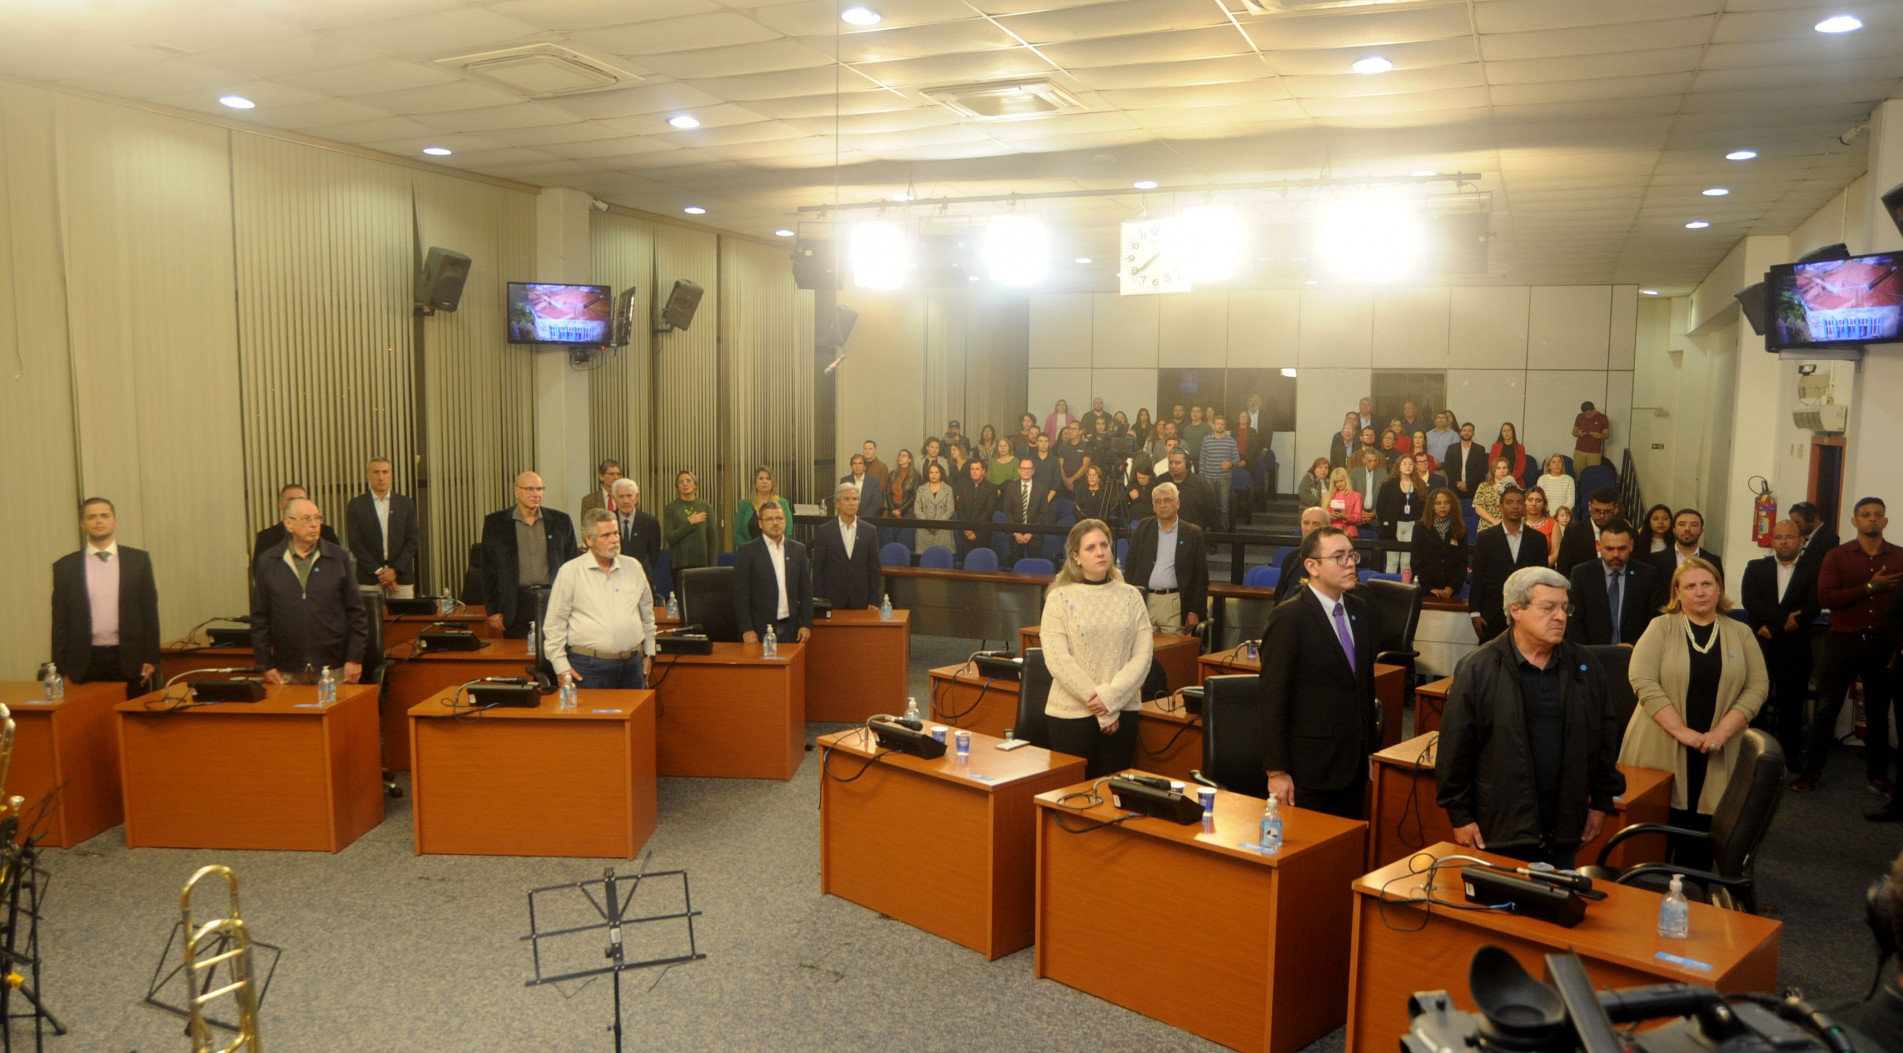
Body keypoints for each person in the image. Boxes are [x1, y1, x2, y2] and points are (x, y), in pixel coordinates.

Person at [1436, 567, 1625, 868]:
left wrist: (1601, 803)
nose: (1561, 616)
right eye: (1548, 608)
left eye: (1565, 607)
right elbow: (1454, 750)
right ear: (1516, 610)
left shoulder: (1586, 666)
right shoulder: (1478, 668)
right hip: (1499, 828)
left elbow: (1605, 740)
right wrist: (1459, 817)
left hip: (1564, 825)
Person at [1622, 559, 1767, 869]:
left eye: (1707, 584)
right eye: (1690, 586)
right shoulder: (1660, 627)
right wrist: (1682, 732)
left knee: (1701, 848)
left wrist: (1720, 734)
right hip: (1659, 744)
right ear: (1678, 592)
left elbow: (1757, 688)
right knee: (1648, 850)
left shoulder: (1740, 633)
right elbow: (1642, 680)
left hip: (1717, 748)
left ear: (1719, 590)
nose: (1699, 592)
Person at [1259, 526, 1381, 820]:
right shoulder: (1290, 617)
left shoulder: (1360, 609)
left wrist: (1371, 752)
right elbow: (1272, 698)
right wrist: (1276, 771)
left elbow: (1363, 685)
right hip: (1309, 768)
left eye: (1352, 554)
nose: (1350, 563)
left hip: (1353, 763)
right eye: (1339, 557)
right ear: (1312, 566)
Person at [1794, 497, 1902, 800]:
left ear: (1886, 521)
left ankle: (1877, 776)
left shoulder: (1900, 557)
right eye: (1865, 515)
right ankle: (1812, 770)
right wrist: (1871, 587)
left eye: (1878, 515)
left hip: (1883, 645)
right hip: (1843, 642)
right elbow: (1826, 598)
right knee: (1827, 708)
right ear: (1854, 521)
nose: (1872, 520)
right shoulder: (1836, 556)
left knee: (1879, 714)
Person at [1039, 519, 1152, 777]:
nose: (1100, 553)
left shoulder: (1131, 596)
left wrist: (1110, 701)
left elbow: (1143, 656)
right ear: (1075, 556)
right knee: (1074, 800)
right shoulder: (1059, 597)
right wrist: (1103, 709)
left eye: (1104, 545)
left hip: (1124, 712)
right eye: (1090, 548)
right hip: (1071, 717)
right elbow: (1058, 660)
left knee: (1114, 800)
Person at [50, 497, 161, 698]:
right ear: (83, 524)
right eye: (92, 517)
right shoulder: (65, 567)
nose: (99, 521)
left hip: (130, 658)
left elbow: (149, 612)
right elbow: (60, 620)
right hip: (84, 661)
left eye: (104, 516)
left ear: (114, 521)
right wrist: (61, 667)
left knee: (132, 721)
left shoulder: (138, 561)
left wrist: (151, 658)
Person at [250, 496, 367, 685]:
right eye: (307, 519)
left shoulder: (337, 557)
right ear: (289, 524)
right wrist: (265, 663)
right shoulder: (268, 561)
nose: (314, 525)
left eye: (317, 518)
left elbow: (357, 612)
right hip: (287, 669)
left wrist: (354, 658)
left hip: (333, 667)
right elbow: (260, 618)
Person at [544, 508, 657, 690]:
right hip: (589, 668)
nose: (614, 540)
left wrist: (650, 654)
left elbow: (647, 615)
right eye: (606, 536)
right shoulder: (570, 572)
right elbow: (554, 624)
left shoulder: (634, 567)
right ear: (589, 539)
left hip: (632, 666)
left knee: (636, 718)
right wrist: (561, 667)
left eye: (616, 533)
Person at [1741, 520, 1820, 769]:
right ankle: (1754, 754)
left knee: (1791, 704)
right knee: (1757, 703)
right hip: (1762, 645)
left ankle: (1790, 754)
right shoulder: (1755, 567)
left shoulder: (1814, 569)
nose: (1783, 542)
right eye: (1778, 537)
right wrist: (1779, 624)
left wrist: (1780, 624)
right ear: (1772, 541)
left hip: (1795, 647)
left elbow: (1814, 604)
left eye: (1789, 537)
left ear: (1801, 540)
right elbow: (1750, 600)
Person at [480, 471, 577, 638]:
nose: (536, 494)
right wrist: (493, 610)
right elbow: (488, 569)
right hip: (515, 604)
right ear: (516, 491)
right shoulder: (496, 523)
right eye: (530, 489)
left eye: (540, 489)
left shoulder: (561, 521)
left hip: (552, 601)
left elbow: (573, 565)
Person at [1565, 517, 1664, 647]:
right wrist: (1587, 654)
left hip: (1636, 653)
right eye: (1609, 549)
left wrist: (1635, 646)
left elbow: (1656, 620)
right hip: (1592, 655)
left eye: (1622, 548)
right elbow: (1573, 621)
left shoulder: (1647, 575)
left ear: (1631, 545)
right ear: (1598, 546)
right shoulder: (1581, 574)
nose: (1616, 554)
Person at [1126, 482, 1208, 634]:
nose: (1162, 505)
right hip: (1145, 600)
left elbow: (1200, 576)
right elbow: (1131, 565)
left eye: (1167, 500)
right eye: (1158, 501)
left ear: (1177, 503)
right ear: (1153, 506)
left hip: (1174, 603)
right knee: (1143, 653)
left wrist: (1195, 611)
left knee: (1173, 654)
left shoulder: (1192, 533)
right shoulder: (1144, 527)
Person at [1470, 488, 1549, 642]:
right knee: (1492, 661)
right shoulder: (1485, 538)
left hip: (1527, 611)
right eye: (1509, 502)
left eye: (1519, 502)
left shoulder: (1537, 539)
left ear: (1524, 507)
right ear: (1500, 507)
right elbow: (1477, 577)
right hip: (1492, 613)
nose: (1515, 507)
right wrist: (1474, 612)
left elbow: (1542, 579)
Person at [732, 502, 812, 646]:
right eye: (769, 519)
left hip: (791, 628)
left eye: (779, 518)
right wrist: (746, 629)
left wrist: (806, 624)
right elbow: (740, 595)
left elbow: (805, 590)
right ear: (760, 524)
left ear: (785, 522)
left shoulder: (798, 550)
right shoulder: (748, 551)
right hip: (759, 629)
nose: (775, 523)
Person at [345, 458, 418, 599]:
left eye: (385, 472)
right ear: (368, 475)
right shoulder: (356, 505)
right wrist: (380, 572)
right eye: (376, 472)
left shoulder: (405, 504)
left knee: (403, 619)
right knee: (371, 620)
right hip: (369, 577)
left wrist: (394, 571)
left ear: (391, 475)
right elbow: (355, 543)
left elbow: (412, 541)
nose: (381, 477)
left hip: (401, 577)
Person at [813, 481, 883, 610]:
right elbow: (818, 568)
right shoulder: (824, 531)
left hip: (861, 599)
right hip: (832, 599)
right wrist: (819, 601)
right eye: (847, 499)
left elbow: (874, 568)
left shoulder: (869, 531)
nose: (852, 503)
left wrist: (874, 600)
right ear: (837, 503)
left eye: (855, 499)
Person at [252, 483, 339, 570]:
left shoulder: (325, 532)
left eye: (301, 499)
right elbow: (260, 571)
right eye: (290, 500)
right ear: (280, 505)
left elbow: (339, 566)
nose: (296, 503)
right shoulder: (266, 537)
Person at [1412, 488, 1468, 599]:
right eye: (1438, 503)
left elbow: (1462, 563)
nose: (1442, 506)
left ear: (1452, 505)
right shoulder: (1420, 527)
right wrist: (1429, 588)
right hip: (1426, 590)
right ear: (1431, 506)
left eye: (1446, 502)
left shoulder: (1460, 529)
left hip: (1451, 592)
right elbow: (1416, 561)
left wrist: (1451, 587)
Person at [1376, 455, 1427, 575]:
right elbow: (1380, 507)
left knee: (1406, 562)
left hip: (1412, 526)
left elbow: (1424, 507)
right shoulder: (1388, 485)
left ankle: (1405, 589)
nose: (1408, 466)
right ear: (1398, 467)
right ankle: (1389, 589)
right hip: (1393, 526)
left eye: (1410, 463)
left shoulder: (1420, 484)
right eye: (1404, 463)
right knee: (1392, 561)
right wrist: (1385, 523)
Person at [1557, 487, 1622, 578]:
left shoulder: (1626, 533)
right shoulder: (1574, 532)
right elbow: (1563, 568)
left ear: (1616, 509)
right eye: (1597, 511)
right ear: (1589, 506)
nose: (1601, 516)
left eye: (1607, 512)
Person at [1649, 508, 1725, 585]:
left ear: (1701, 531)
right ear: (1674, 530)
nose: (1687, 529)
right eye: (1682, 524)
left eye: (1694, 525)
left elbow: (1719, 592)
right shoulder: (1656, 560)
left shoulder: (1713, 561)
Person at [663, 470, 717, 573]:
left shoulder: (705, 506)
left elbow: (712, 538)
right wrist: (690, 523)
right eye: (681, 482)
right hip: (679, 564)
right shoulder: (671, 508)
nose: (685, 484)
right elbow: (669, 538)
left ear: (695, 485)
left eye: (688, 481)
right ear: (677, 487)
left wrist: (713, 565)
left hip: (702, 563)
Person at [1004, 458, 1054, 564]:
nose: (1026, 471)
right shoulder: (1011, 487)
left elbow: (1043, 513)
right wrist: (1016, 532)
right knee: (1016, 569)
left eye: (1029, 468)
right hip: (1016, 535)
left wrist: (1030, 532)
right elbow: (1007, 511)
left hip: (1034, 535)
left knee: (1035, 569)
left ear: (1033, 471)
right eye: (1023, 468)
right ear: (1019, 470)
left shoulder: (1042, 488)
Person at [608, 478, 660, 579]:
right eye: (621, 496)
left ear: (636, 497)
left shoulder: (650, 522)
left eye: (629, 496)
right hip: (613, 576)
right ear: (614, 499)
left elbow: (653, 555)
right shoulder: (607, 521)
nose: (625, 501)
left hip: (641, 576)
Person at [734, 465, 795, 548]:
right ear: (755, 482)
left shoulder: (782, 503)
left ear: (772, 483)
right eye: (761, 478)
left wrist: (776, 548)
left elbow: (788, 531)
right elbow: (737, 533)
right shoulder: (744, 505)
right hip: (750, 553)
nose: (764, 481)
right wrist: (748, 550)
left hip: (776, 550)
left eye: (768, 478)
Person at [1198, 414, 1240, 528]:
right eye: (1218, 424)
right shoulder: (1206, 440)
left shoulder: (1231, 440)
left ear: (1225, 426)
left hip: (1224, 479)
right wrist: (1201, 478)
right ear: (1213, 425)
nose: (1220, 426)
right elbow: (1202, 459)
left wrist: (1231, 463)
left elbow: (1237, 458)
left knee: (1224, 508)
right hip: (1208, 478)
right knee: (1209, 506)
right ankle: (1210, 532)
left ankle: (1223, 534)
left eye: (1222, 424)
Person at [1163, 450, 1217, 530]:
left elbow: (1210, 512)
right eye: (1170, 462)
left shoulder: (1201, 485)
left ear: (1187, 464)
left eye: (1177, 463)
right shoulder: (1161, 481)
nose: (1173, 466)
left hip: (1192, 534)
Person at [955, 459, 998, 557]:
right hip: (965, 533)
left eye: (977, 469)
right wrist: (967, 530)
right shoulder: (963, 487)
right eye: (972, 469)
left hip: (982, 533)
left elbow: (988, 512)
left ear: (984, 471)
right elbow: (960, 510)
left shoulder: (991, 488)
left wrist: (973, 530)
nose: (974, 472)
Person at [913, 461, 956, 555]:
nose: (934, 475)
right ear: (928, 474)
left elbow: (950, 509)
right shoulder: (921, 489)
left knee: (942, 558)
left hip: (942, 530)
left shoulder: (948, 489)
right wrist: (928, 524)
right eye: (931, 472)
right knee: (925, 559)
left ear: (941, 474)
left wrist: (937, 524)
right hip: (924, 530)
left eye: (936, 472)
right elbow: (917, 510)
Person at [1789, 501, 1839, 570]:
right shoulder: (1804, 538)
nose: (1795, 526)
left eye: (1797, 522)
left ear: (1810, 519)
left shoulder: (1829, 539)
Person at [1445, 422, 1489, 500]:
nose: (1466, 433)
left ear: (1473, 433)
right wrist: (1458, 484)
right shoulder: (1451, 448)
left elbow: (1480, 469)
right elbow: (1448, 467)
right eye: (1464, 430)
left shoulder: (1480, 449)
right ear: (1460, 432)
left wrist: (1467, 484)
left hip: (1472, 488)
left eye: (1469, 431)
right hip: (1455, 488)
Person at [1349, 450, 1387, 534]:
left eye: (1375, 460)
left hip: (1375, 519)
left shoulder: (1383, 474)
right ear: (1364, 460)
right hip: (1358, 517)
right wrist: (1359, 512)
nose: (1373, 463)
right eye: (1370, 461)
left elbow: (1385, 497)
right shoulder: (1355, 473)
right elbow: (1351, 495)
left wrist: (1375, 513)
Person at [1473, 458, 1518, 528]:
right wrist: (1494, 521)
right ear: (1493, 470)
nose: (1502, 471)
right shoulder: (1484, 486)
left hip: (1508, 525)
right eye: (1498, 468)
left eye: (1504, 468)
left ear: (1508, 470)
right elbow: (1478, 508)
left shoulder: (1514, 487)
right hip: (1487, 525)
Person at [840, 453, 885, 519]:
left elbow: (876, 502)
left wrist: (863, 517)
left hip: (869, 519)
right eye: (854, 463)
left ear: (865, 467)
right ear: (851, 466)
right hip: (849, 518)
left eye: (860, 463)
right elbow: (842, 500)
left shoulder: (874, 481)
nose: (857, 466)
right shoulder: (845, 480)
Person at [1324, 466, 1363, 537]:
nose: (1339, 484)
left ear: (1346, 479)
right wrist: (1330, 516)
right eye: (1336, 482)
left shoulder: (1356, 496)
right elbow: (1323, 515)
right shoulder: (1328, 496)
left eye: (1341, 481)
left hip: (1350, 533)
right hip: (1332, 532)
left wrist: (1345, 516)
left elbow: (1358, 517)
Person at [1572, 400, 1610, 469]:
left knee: (1593, 473)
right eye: (1585, 414)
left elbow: (1607, 435)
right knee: (1578, 473)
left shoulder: (1602, 418)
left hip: (1594, 452)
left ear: (1593, 409)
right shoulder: (1580, 416)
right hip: (1579, 450)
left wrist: (1599, 435)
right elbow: (1574, 432)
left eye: (1589, 414)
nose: (1587, 416)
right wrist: (1579, 434)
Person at [1490, 422, 1530, 487]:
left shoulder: (1520, 448)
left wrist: (1509, 479)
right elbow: (1492, 464)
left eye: (1509, 430)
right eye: (1504, 431)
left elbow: (1521, 468)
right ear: (1501, 433)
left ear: (1513, 432)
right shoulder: (1495, 447)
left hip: (1514, 480)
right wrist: (1500, 477)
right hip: (1497, 479)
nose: (1506, 433)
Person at [1056, 422, 1090, 498]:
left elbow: (1085, 466)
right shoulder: (1063, 446)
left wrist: (1071, 480)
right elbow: (1060, 465)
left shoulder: (1086, 446)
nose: (1071, 431)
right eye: (1070, 429)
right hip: (1064, 484)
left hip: (1080, 484)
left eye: (1074, 429)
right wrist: (1065, 480)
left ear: (1080, 432)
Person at [1535, 454, 1575, 518]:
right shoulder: (1542, 479)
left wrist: (1560, 514)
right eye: (1554, 462)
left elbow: (1570, 502)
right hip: (1546, 514)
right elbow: (1539, 498)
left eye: (1559, 462)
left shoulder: (1569, 479)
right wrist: (1547, 513)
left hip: (1563, 516)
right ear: (1549, 466)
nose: (1557, 464)